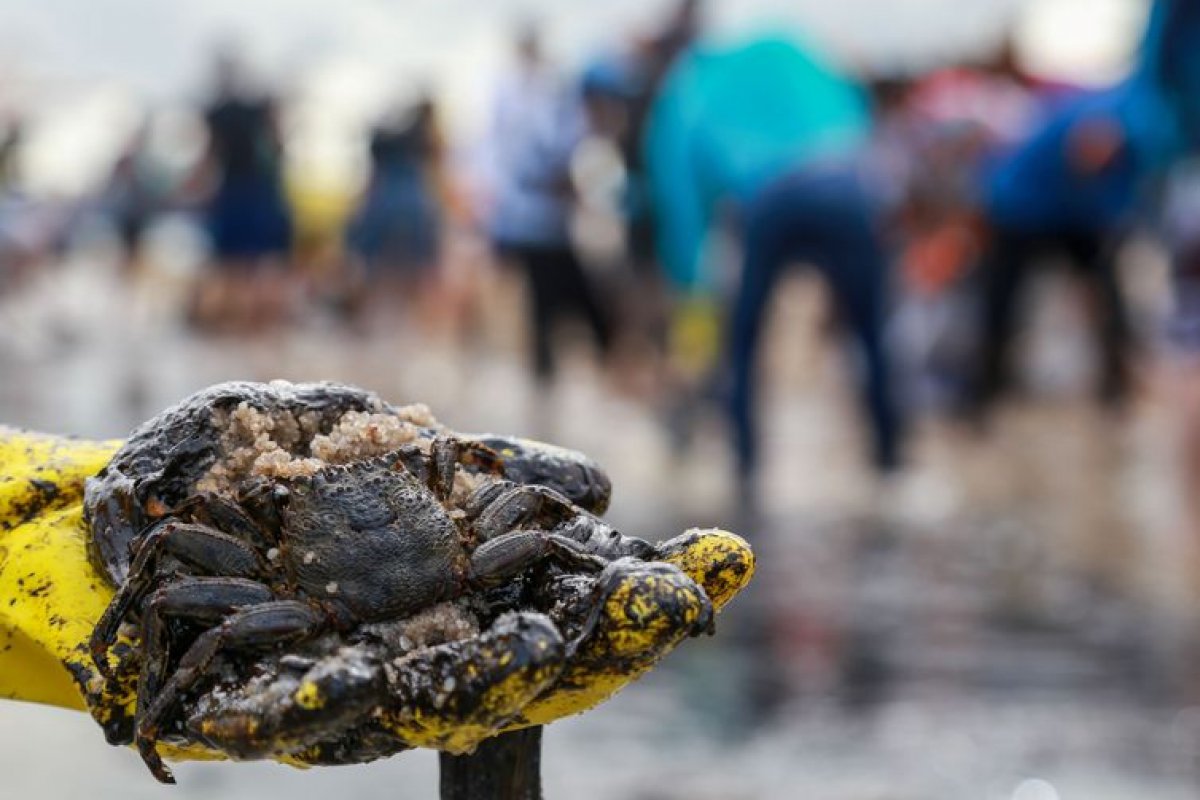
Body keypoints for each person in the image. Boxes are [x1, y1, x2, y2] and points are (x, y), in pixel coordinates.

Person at [645, 34, 902, 504]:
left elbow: (680, 192)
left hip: (772, 196)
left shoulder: (691, 89)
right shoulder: (800, 53)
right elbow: (861, 124)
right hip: (847, 187)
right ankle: (889, 464)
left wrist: (688, 275)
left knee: (744, 342)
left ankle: (746, 466)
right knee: (871, 335)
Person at [485, 26, 611, 387]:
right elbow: (538, 166)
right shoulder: (531, 103)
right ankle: (549, 375)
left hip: (535, 224)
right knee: (561, 304)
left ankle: (548, 374)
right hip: (538, 226)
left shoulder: (525, 99)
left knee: (553, 306)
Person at [189, 48, 293, 332]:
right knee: (260, 266)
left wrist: (193, 190)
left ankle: (236, 326)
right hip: (261, 192)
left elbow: (210, 157)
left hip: (234, 191)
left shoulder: (219, 112)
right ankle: (258, 328)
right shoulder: (259, 108)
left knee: (231, 266)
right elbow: (280, 146)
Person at [345, 93, 444, 323]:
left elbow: (371, 180)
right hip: (414, 206)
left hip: (384, 204)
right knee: (415, 278)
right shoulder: (422, 141)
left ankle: (383, 328)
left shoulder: (388, 140)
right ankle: (407, 331)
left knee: (378, 276)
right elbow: (435, 178)